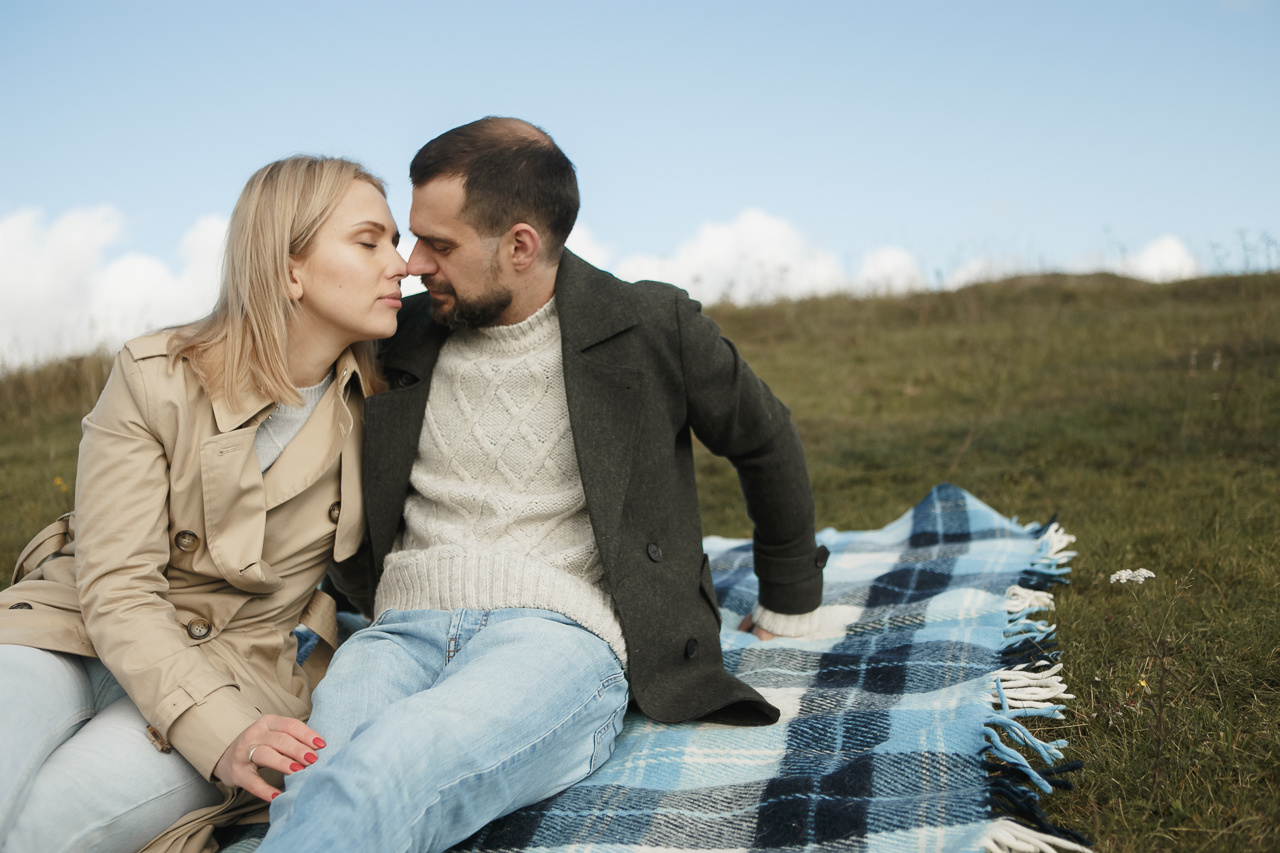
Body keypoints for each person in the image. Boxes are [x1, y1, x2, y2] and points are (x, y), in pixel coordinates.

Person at [258, 117, 829, 853]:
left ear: (520, 246)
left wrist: (789, 596)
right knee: (312, 778)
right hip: (397, 630)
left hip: (556, 637)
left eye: (439, 244)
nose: (411, 262)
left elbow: (764, 436)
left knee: (381, 773)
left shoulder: (649, 325)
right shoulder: (402, 330)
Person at [0, 155, 408, 853]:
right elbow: (117, 586)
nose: (401, 265)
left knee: (39, 831)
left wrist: (224, 732)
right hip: (73, 631)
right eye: (370, 243)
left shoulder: (383, 411)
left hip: (237, 675)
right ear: (290, 269)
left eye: (396, 243)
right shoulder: (153, 376)